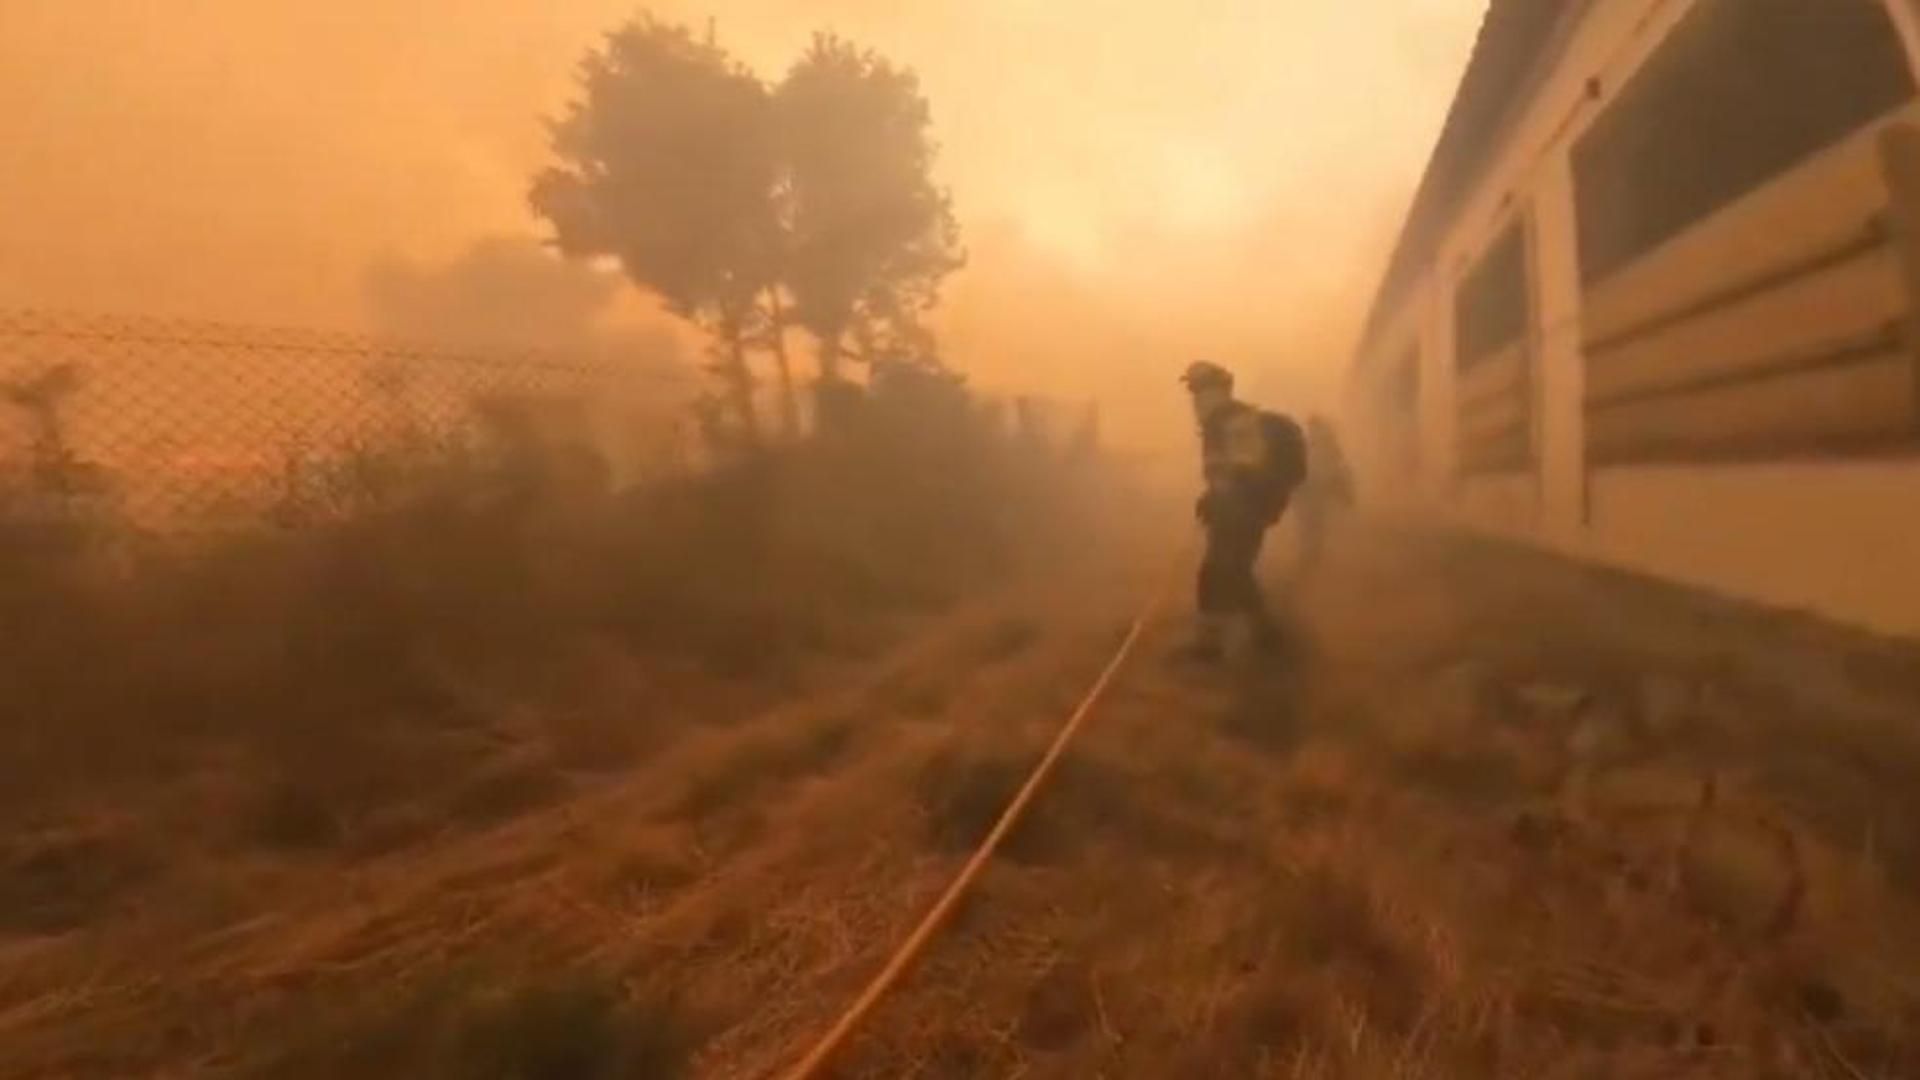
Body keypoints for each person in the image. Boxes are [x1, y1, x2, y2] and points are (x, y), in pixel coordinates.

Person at [1179, 361, 1307, 662]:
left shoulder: (1232, 422)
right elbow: (1227, 470)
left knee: (1215, 575)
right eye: (1193, 392)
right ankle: (1270, 637)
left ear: (1219, 391)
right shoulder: (1222, 422)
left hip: (1240, 512)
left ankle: (1209, 649)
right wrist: (1211, 495)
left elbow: (1243, 469)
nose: (1195, 399)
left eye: (1199, 391)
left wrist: (1219, 498)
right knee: (1237, 574)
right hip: (1240, 510)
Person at [1296, 414, 1355, 575]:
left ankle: (1311, 558)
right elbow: (1337, 464)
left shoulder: (1309, 443)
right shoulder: (1315, 443)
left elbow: (1335, 465)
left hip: (1312, 491)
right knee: (1312, 526)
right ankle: (1311, 557)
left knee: (1311, 526)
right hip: (1312, 491)